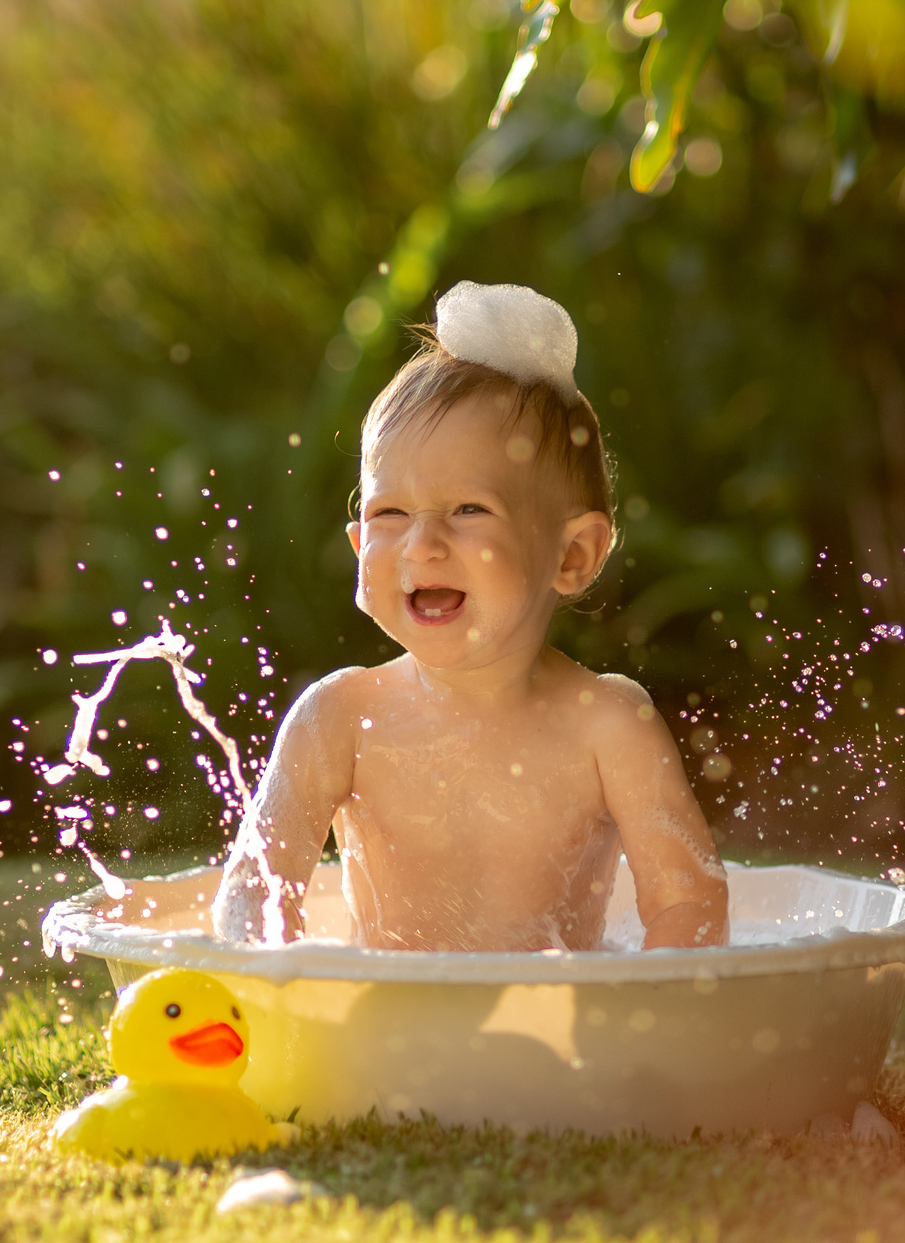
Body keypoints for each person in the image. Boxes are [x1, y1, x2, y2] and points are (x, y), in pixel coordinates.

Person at [212, 281, 728, 952]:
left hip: (559, 1018)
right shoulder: (340, 719)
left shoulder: (607, 725)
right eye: (390, 513)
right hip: (389, 1015)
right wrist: (279, 986)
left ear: (572, 554)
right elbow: (253, 895)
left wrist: (645, 1006)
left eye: (469, 509)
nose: (421, 544)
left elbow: (690, 902)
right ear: (360, 546)